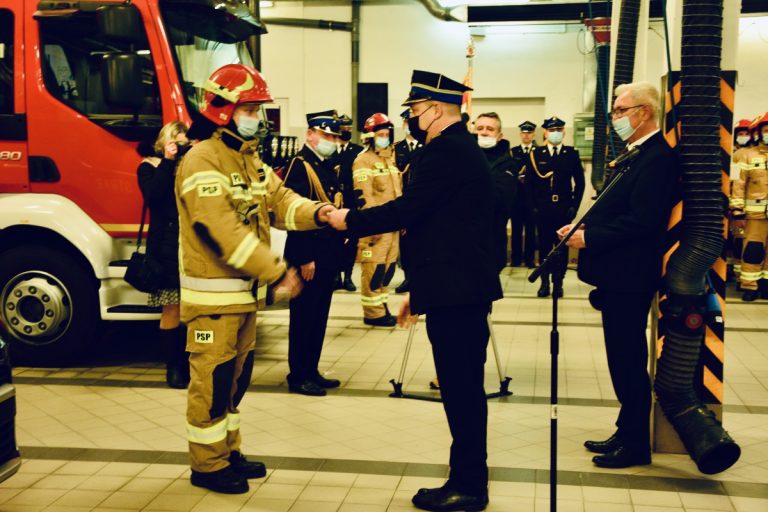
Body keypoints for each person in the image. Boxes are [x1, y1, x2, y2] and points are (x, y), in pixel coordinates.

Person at [328, 69, 503, 512]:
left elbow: (411, 209)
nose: (411, 118)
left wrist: (348, 219)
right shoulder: (455, 149)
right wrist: (420, 289)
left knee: (461, 389)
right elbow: (441, 227)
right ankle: (464, 478)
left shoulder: (447, 151)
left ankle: (469, 485)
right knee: (461, 388)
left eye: (415, 110)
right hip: (454, 286)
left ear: (436, 109)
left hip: (457, 291)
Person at [175, 64, 333, 494]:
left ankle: (228, 451)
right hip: (212, 303)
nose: (259, 117)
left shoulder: (247, 158)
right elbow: (220, 229)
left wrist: (320, 213)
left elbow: (280, 201)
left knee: (234, 380)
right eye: (251, 108)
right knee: (211, 383)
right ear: (224, 110)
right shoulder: (202, 159)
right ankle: (206, 465)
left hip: (242, 299)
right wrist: (276, 270)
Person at [558, 81, 680, 469]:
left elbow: (643, 222)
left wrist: (588, 237)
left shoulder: (657, 158)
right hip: (617, 276)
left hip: (631, 275)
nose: (615, 118)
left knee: (627, 359)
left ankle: (635, 445)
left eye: (620, 111)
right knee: (620, 358)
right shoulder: (635, 154)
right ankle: (626, 428)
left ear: (644, 112)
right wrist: (579, 229)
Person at [283, 110, 347, 396]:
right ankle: (298, 375)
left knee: (319, 315)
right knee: (304, 317)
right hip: (308, 256)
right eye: (325, 135)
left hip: (326, 255)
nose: (331, 141)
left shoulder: (325, 165)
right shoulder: (300, 166)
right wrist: (305, 257)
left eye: (334, 137)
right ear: (310, 135)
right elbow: (295, 215)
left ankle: (311, 369)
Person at [137, 121, 190, 389]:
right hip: (165, 248)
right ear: (166, 142)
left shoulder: (191, 167)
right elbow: (153, 197)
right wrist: (169, 162)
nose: (182, 146)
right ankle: (173, 367)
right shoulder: (149, 167)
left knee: (194, 311)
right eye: (177, 141)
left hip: (191, 246)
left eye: (185, 142)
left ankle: (192, 362)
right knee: (172, 308)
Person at [526, 116, 585, 298]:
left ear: (564, 132)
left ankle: (558, 283)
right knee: (544, 246)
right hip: (542, 208)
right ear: (545, 132)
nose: (555, 133)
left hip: (563, 208)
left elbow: (580, 183)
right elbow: (529, 184)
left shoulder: (571, 154)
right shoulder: (536, 154)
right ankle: (544, 283)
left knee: (562, 247)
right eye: (552, 130)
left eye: (559, 130)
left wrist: (574, 206)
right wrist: (533, 206)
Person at [352, 113, 402, 327]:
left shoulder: (389, 159)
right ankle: (373, 312)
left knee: (387, 270)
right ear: (370, 136)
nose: (385, 138)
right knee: (373, 270)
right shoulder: (363, 161)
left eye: (387, 134)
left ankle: (382, 306)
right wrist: (372, 224)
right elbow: (363, 196)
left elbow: (397, 193)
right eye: (380, 134)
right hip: (376, 227)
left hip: (392, 226)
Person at [731, 112, 768, 301]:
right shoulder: (746, 156)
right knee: (753, 250)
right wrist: (738, 211)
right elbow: (738, 184)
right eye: (766, 130)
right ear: (759, 133)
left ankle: (766, 285)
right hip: (755, 215)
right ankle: (750, 286)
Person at [476, 112, 517, 271]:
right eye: (479, 128)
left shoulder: (508, 164)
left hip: (491, 240)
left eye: (489, 129)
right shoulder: (463, 157)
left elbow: (501, 201)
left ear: (499, 135)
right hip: (463, 241)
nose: (484, 132)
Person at [393, 109, 423, 294]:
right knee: (405, 244)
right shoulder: (397, 148)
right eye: (406, 123)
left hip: (420, 201)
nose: (408, 126)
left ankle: (418, 277)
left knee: (419, 242)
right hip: (402, 200)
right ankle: (407, 278)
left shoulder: (426, 146)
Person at [333, 114, 364, 292]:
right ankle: (336, 275)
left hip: (351, 201)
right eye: (344, 129)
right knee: (335, 241)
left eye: (349, 129)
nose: (347, 132)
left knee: (351, 241)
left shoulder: (357, 151)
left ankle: (348, 276)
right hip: (334, 202)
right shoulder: (330, 151)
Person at [728, 119, 754, 285]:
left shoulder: (754, 155)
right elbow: (735, 181)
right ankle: (736, 273)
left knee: (745, 242)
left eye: (746, 134)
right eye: (741, 134)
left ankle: (740, 275)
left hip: (750, 208)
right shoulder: (734, 154)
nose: (743, 137)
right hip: (735, 205)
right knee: (736, 241)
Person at [510, 121, 538, 268]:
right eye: (524, 133)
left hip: (532, 199)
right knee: (516, 230)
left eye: (529, 133)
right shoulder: (513, 152)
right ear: (520, 134)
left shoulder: (538, 151)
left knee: (530, 231)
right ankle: (515, 259)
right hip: (516, 198)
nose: (526, 135)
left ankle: (529, 259)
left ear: (533, 134)